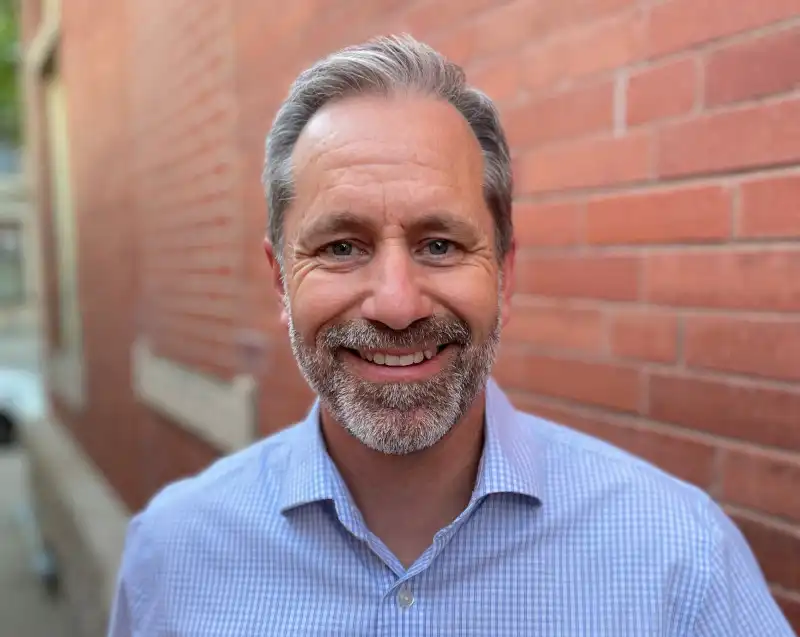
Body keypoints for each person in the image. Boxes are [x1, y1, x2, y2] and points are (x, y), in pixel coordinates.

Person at [107, 35, 795, 636]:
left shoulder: (682, 563)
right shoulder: (172, 558)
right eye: (342, 247)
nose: (397, 304)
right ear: (282, 281)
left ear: (505, 273)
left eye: (440, 244)